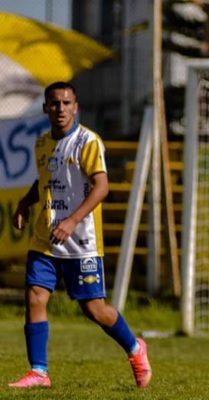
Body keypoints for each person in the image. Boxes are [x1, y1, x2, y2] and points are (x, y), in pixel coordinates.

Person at [8, 82, 152, 389]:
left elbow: (102, 186)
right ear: (46, 108)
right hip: (45, 237)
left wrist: (72, 220)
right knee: (35, 296)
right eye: (55, 103)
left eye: (66, 103)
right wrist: (24, 203)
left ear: (76, 107)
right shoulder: (42, 144)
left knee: (94, 309)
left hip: (81, 241)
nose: (60, 109)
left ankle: (135, 348)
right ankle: (39, 371)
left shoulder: (88, 142)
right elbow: (44, 182)